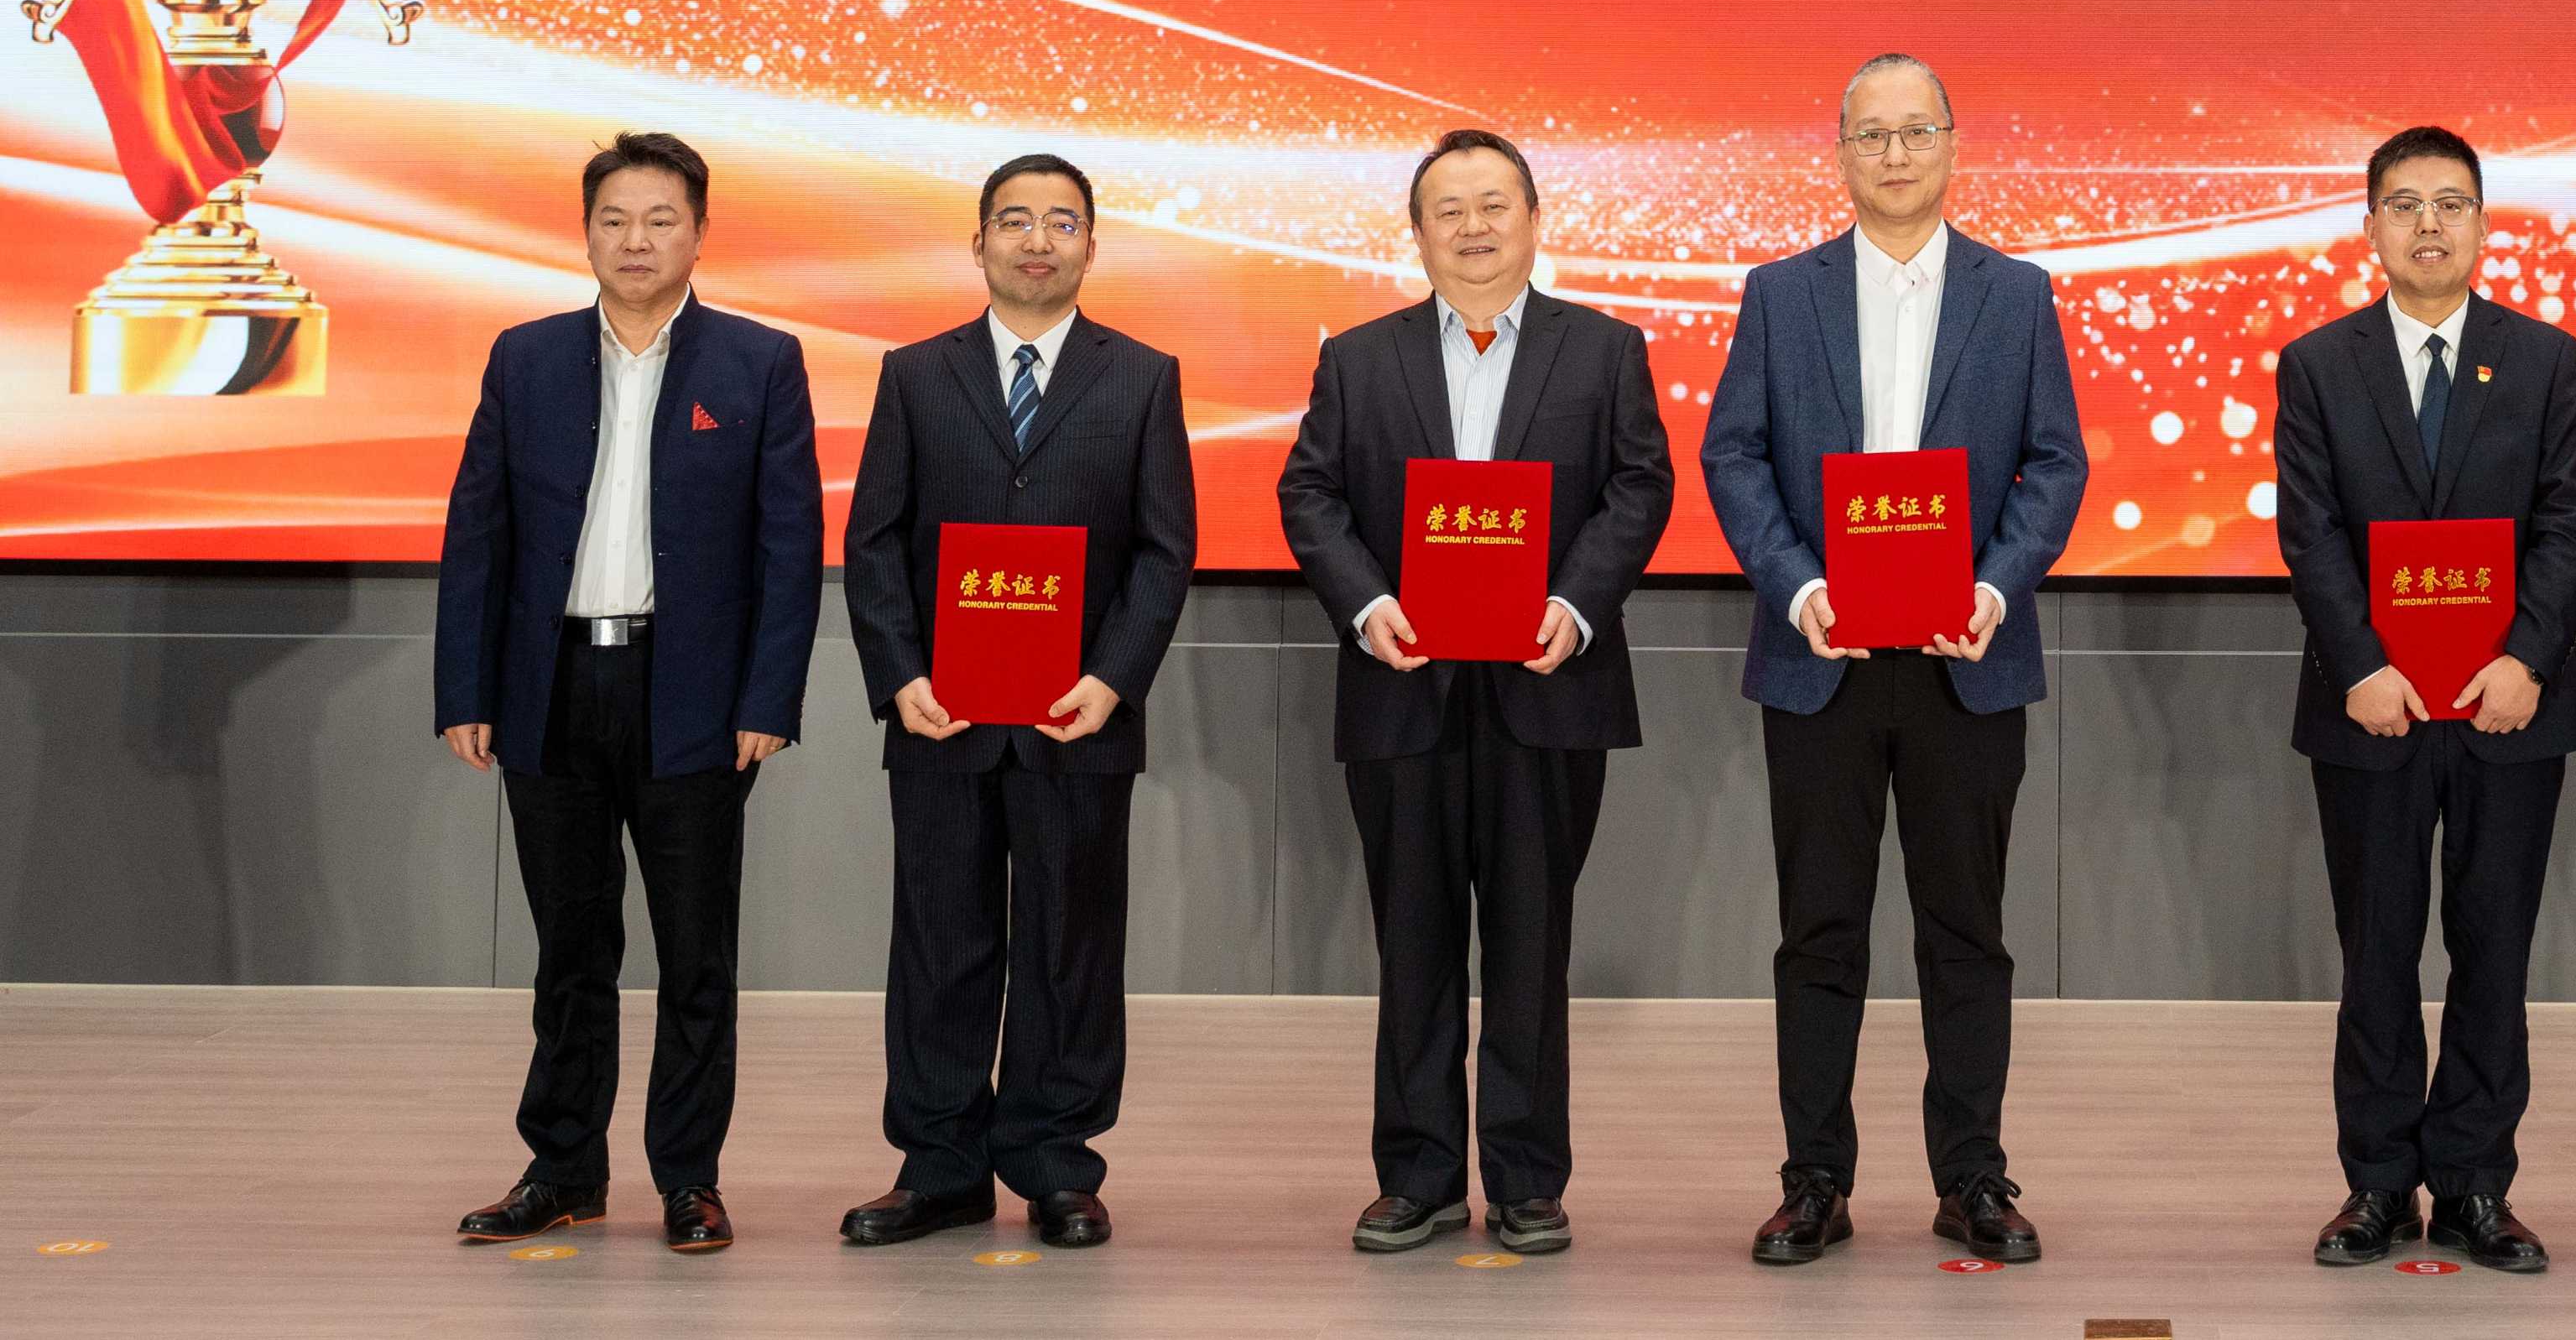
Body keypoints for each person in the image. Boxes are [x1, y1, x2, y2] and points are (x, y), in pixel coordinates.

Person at [1697, 54, 2088, 1268]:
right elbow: (1733, 454)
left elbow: (2055, 463)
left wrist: (1993, 587)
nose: (1897, 153)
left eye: (1917, 130)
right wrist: (1800, 587)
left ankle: (1973, 1175)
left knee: (1965, 930)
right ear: (1841, 154)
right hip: (1822, 653)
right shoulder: (1780, 293)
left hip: (1968, 656)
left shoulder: (2017, 294)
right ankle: (1814, 1179)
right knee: (1819, 931)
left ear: (1954, 144)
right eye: (1872, 134)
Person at [1277, 128, 1673, 1259]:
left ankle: (1528, 1179)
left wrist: (1576, 603)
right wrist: (1367, 604)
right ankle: (1418, 1176)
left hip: (1550, 687)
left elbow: (1640, 486)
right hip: (1403, 686)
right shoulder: (1360, 358)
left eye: (1495, 203)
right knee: (1412, 941)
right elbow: (1310, 493)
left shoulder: (1605, 350)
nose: (1474, 226)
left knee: (1531, 942)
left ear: (1535, 219)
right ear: (1417, 232)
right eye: (1447, 209)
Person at [433, 133, 819, 1256]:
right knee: (570, 949)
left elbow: (789, 545)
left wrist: (769, 698)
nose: (636, 240)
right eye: (615, 219)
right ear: (586, 231)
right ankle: (562, 1168)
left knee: (696, 954)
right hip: (549, 684)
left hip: (690, 694)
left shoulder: (759, 361)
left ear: (699, 233)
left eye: (660, 219)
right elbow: (478, 531)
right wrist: (466, 686)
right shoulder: (525, 357)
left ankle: (688, 1177)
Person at [837, 154, 1196, 1251]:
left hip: (1077, 718)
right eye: (1015, 220)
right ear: (979, 241)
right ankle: (940, 1165)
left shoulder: (1143, 377)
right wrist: (900, 677)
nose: (1038, 240)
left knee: (1068, 943)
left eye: (1061, 222)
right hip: (941, 716)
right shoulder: (915, 373)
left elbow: (1164, 549)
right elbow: (873, 540)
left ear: (1092, 243)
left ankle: (1054, 1162)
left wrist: (1112, 678)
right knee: (938, 941)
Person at [2267, 125, 2576, 1272]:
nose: (2428, 224)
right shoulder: (2319, 363)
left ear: (2483, 224)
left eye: (2451, 203)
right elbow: (2309, 530)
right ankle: (2375, 1182)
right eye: (2404, 204)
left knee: (2493, 948)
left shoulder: (2544, 357)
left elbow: (2570, 521)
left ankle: (2473, 1183)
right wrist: (2361, 666)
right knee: (2377, 950)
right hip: (2372, 708)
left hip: (2510, 705)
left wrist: (2527, 660)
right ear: (2370, 227)